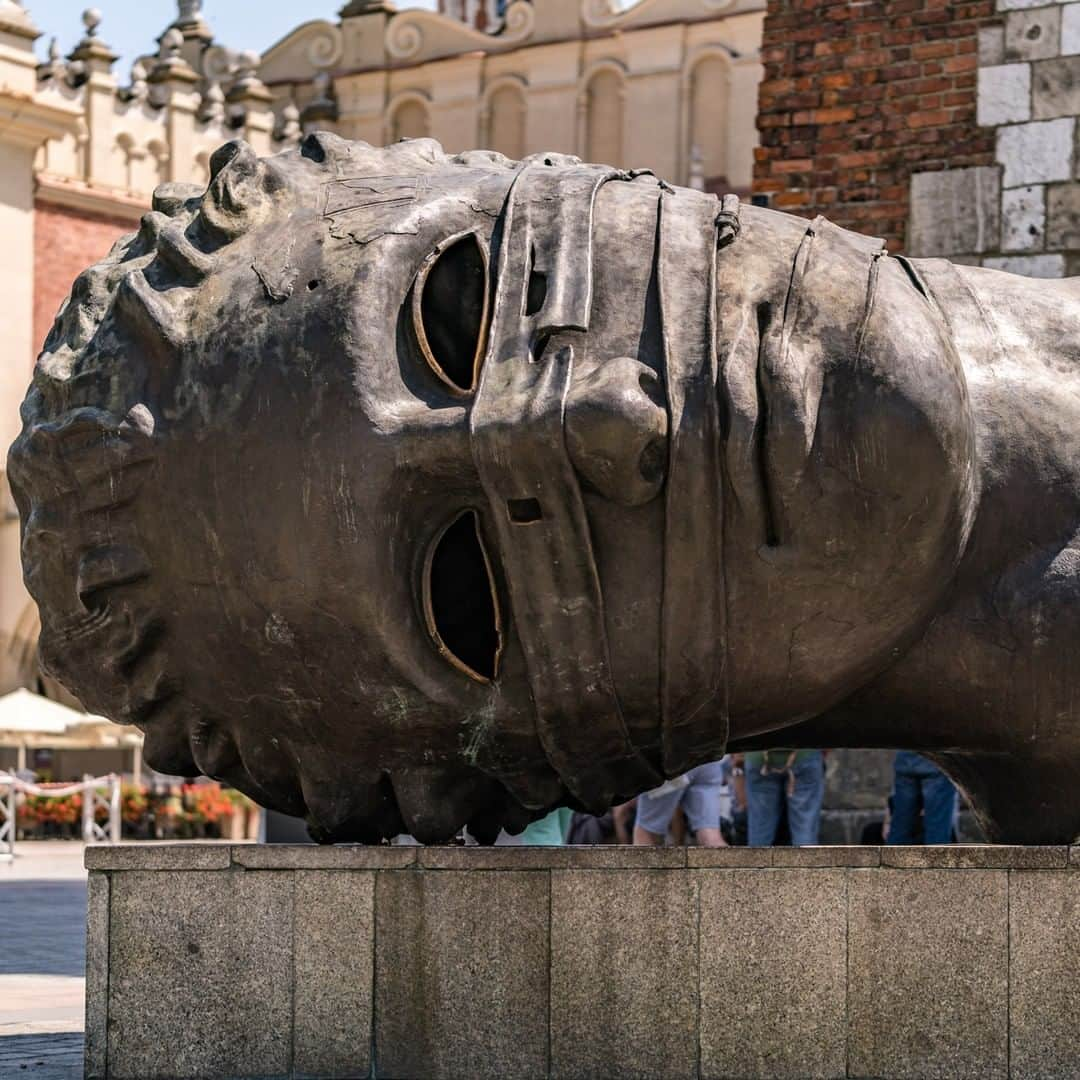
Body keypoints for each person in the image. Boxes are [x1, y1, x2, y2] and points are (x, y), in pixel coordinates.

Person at [633, 761, 727, 847]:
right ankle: (732, 865)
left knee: (645, 835)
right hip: (708, 757)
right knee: (711, 836)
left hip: (672, 758)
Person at [744, 749, 825, 846]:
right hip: (804, 754)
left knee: (760, 828)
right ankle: (806, 860)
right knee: (804, 829)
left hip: (758, 758)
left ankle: (757, 860)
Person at [887, 752, 958, 844]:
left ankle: (892, 857)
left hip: (906, 758)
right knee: (937, 831)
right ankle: (935, 857)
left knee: (900, 829)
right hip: (937, 759)